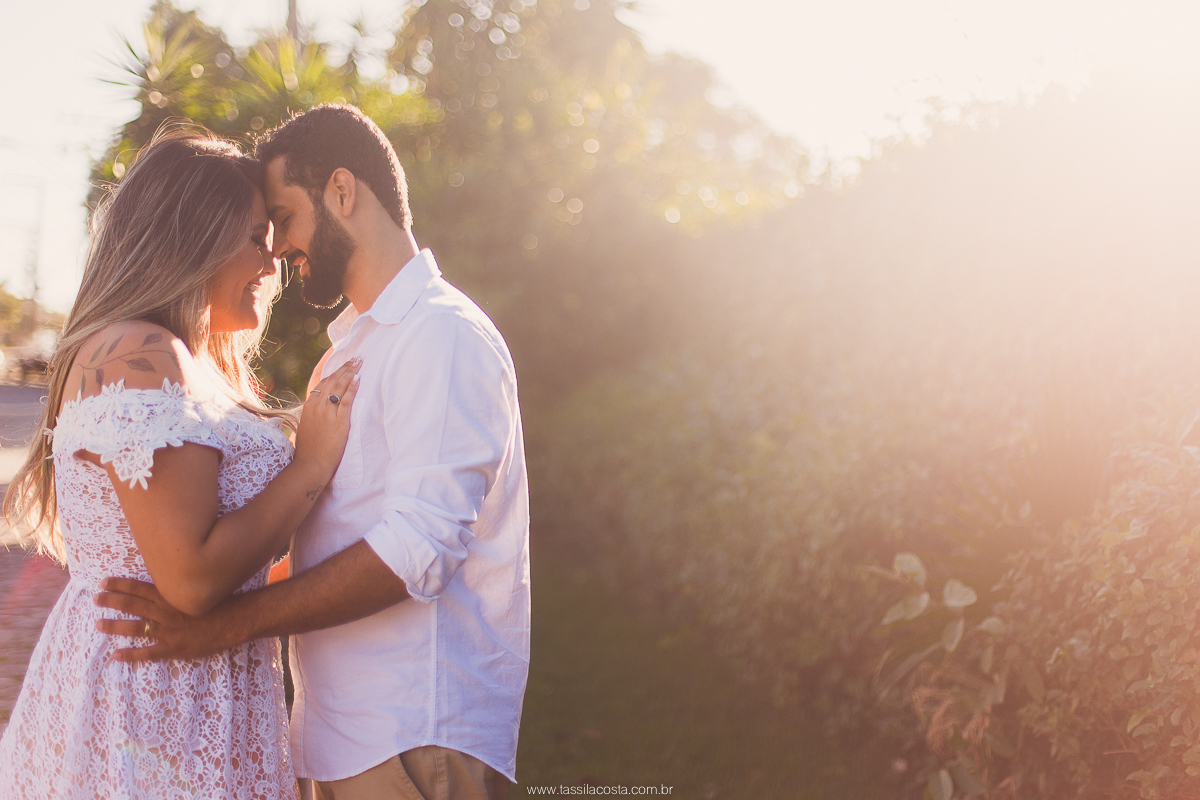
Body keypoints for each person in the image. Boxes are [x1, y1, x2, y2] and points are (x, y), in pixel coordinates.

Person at [95, 105, 531, 800]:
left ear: (342, 191)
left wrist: (220, 627)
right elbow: (334, 545)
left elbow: (418, 548)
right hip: (337, 740)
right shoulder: (350, 350)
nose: (277, 250)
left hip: (415, 737)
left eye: (284, 218)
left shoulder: (440, 336)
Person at [0, 130, 362, 798]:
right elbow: (191, 579)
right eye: (255, 237)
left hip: (197, 688)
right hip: (150, 702)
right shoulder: (141, 353)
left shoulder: (186, 359)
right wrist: (307, 469)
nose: (271, 260)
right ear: (194, 238)